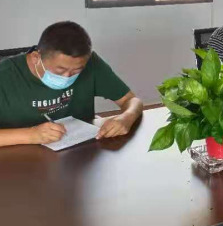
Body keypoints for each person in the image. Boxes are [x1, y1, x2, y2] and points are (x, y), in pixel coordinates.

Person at [0, 21, 143, 148]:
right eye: (60, 70)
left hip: (79, 152)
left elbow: (131, 100)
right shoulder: (5, 75)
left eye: (76, 71)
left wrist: (126, 118)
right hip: (17, 157)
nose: (67, 76)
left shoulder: (91, 64)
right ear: (36, 57)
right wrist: (31, 135)